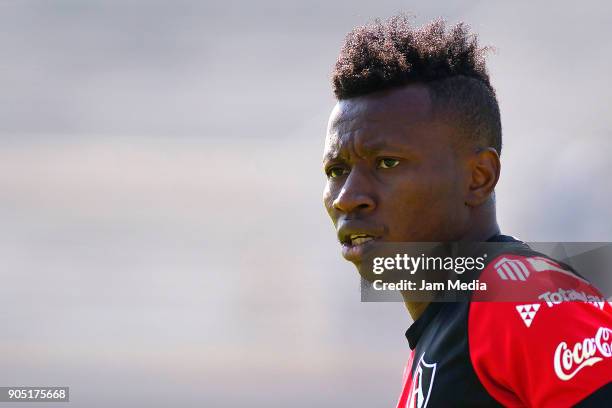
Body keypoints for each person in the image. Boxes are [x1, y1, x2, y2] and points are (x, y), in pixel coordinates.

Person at [322, 15, 612, 407]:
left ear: (479, 177)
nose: (347, 197)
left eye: (387, 163)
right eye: (336, 171)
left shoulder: (521, 297)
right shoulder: (444, 331)